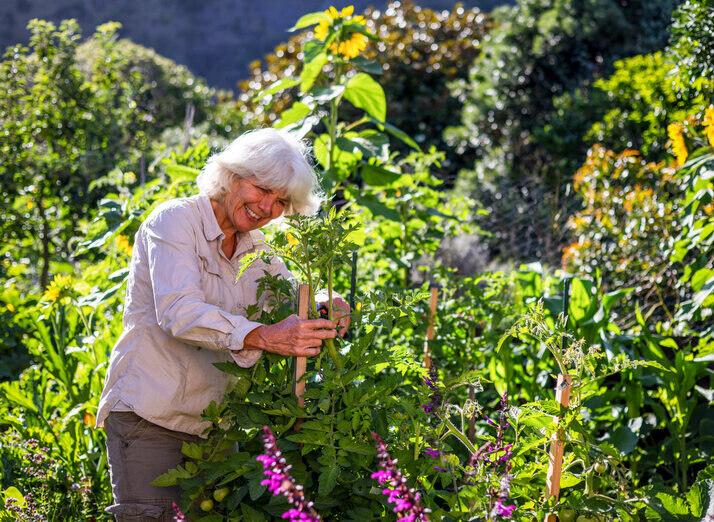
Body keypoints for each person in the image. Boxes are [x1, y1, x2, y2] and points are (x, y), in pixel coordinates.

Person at [96, 128, 350, 521]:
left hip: (215, 429)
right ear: (231, 176)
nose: (266, 206)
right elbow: (179, 311)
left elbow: (289, 299)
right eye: (262, 188)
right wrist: (264, 336)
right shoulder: (174, 222)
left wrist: (323, 306)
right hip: (150, 419)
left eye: (281, 200)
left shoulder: (259, 249)